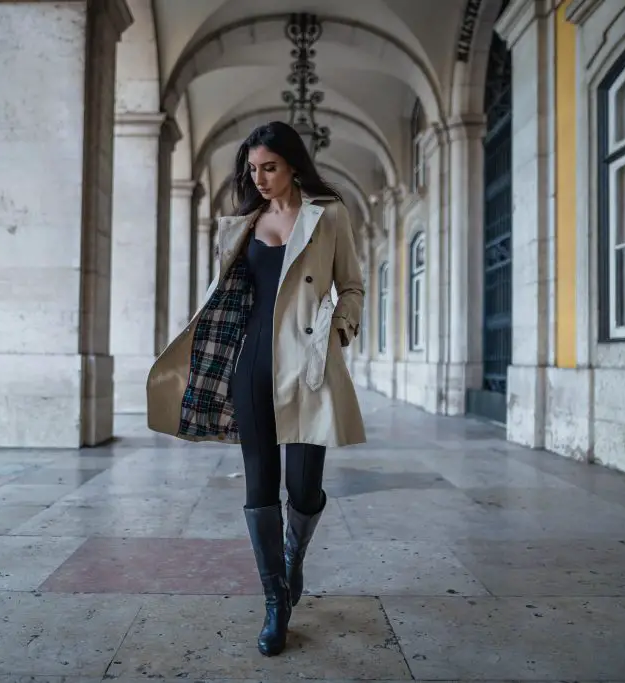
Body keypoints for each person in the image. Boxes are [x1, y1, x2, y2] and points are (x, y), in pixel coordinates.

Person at [146, 120, 366, 656]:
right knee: (259, 486)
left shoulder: (329, 214)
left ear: (292, 164)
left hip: (307, 366)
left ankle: (294, 558)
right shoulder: (239, 224)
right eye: (252, 169)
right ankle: (275, 602)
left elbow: (352, 285)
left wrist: (340, 328)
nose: (260, 178)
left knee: (305, 486)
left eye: (269, 167)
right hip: (249, 367)